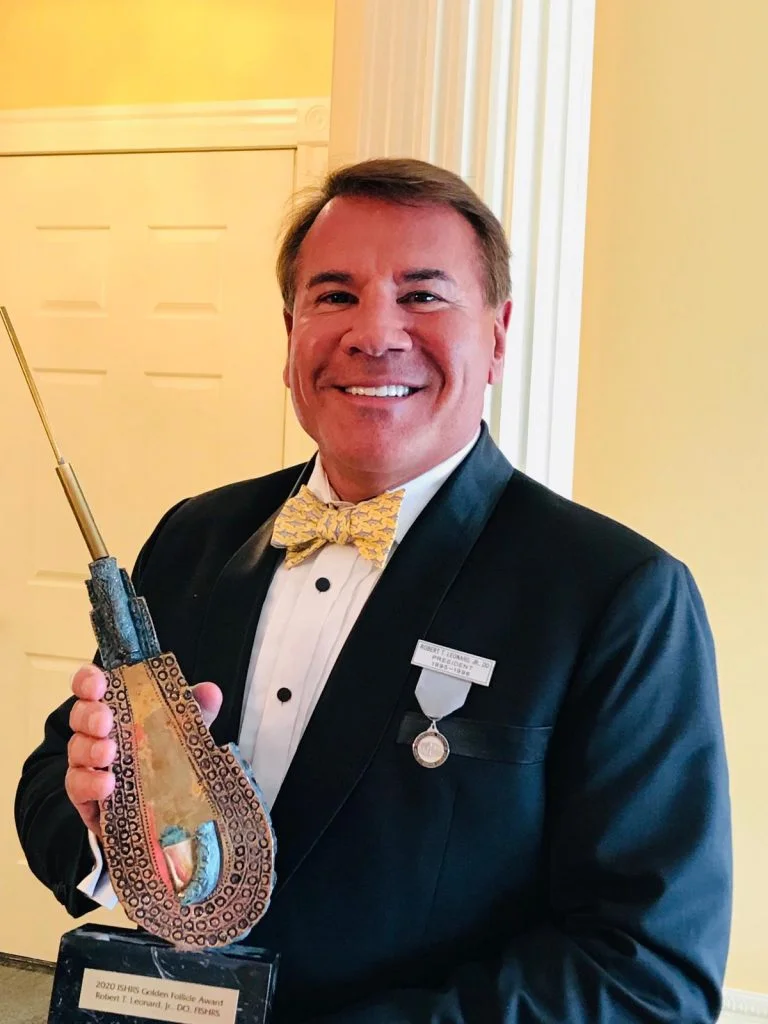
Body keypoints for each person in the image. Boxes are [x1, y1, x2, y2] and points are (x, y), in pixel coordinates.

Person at [15, 158, 731, 1022]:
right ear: (291, 335)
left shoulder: (617, 595)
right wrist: (106, 829)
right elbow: (51, 781)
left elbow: (646, 975)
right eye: (335, 295)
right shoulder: (195, 535)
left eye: (422, 295)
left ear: (497, 336)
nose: (375, 333)